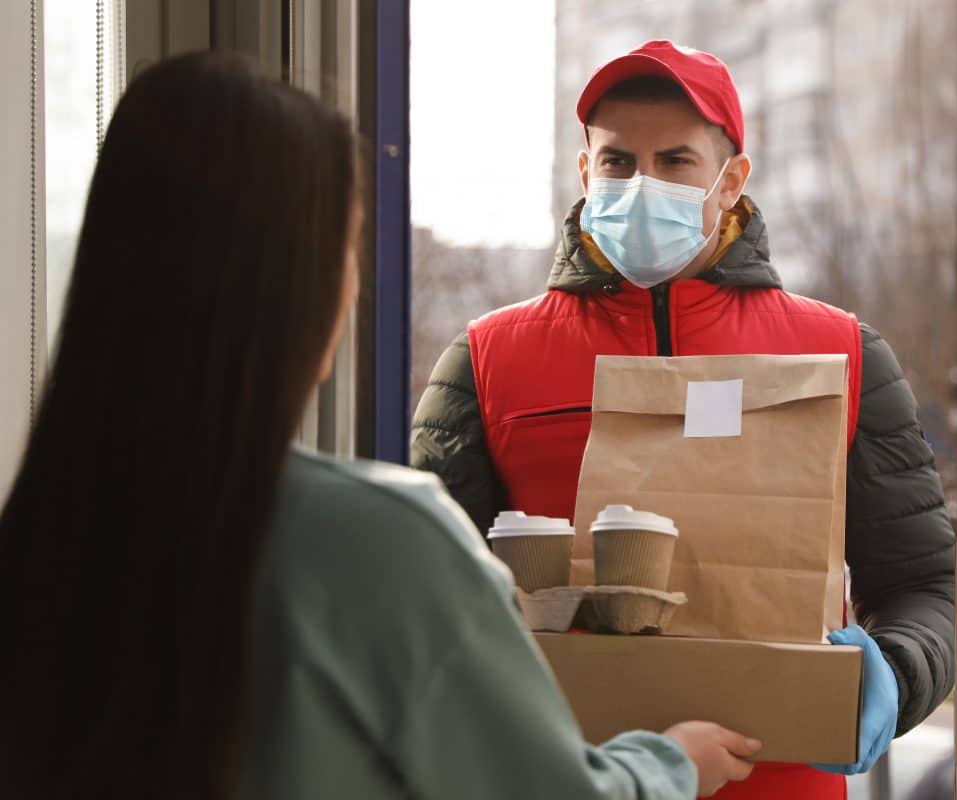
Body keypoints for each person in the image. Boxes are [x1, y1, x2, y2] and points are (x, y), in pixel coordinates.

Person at [0, 52, 760, 800]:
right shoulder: (386, 535)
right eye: (349, 246)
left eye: (673, 161)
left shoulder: (43, 536)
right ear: (304, 281)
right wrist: (667, 767)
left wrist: (885, 664)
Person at [412, 40, 956, 799]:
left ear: (732, 180)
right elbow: (423, 608)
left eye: (675, 162)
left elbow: (923, 583)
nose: (642, 186)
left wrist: (897, 671)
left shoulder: (842, 354)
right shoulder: (485, 362)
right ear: (584, 171)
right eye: (618, 162)